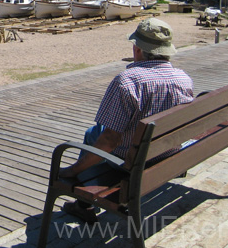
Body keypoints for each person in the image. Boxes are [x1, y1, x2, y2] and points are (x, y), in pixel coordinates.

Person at [58, 17, 194, 223]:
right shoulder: (183, 78)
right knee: (99, 134)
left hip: (133, 162)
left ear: (138, 50)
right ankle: (83, 201)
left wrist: (72, 170)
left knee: (92, 134)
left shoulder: (127, 81)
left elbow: (109, 141)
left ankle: (83, 203)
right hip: (168, 153)